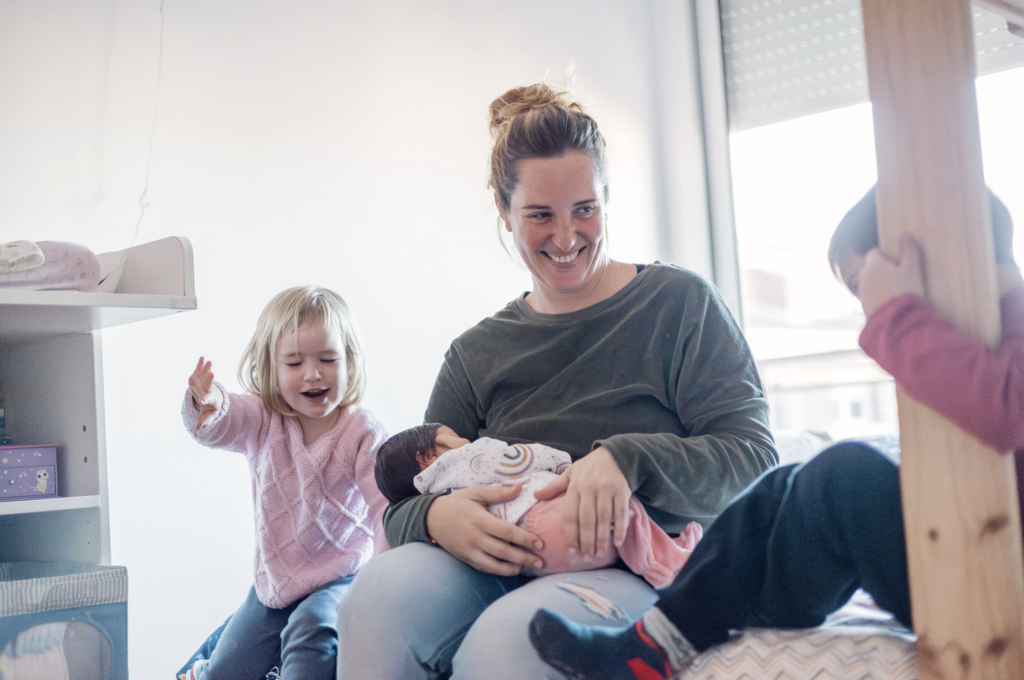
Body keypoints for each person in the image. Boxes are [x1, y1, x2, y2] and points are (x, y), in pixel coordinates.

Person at [335, 83, 777, 679]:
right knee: (375, 595)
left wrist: (628, 460)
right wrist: (436, 520)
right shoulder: (475, 354)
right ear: (503, 209)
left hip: (633, 568)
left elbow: (754, 461)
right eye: (540, 215)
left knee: (512, 644)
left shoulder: (679, 304)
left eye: (585, 210)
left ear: (606, 197)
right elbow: (406, 493)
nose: (567, 238)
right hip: (487, 565)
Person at [528, 186, 1024, 680]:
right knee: (782, 488)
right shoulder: (991, 335)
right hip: (974, 555)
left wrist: (899, 315)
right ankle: (659, 641)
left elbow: (1007, 408)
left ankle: (694, 621)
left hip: (1000, 580)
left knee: (845, 473)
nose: (869, 310)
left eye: (864, 288)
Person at [177, 286, 389, 680]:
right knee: (230, 666)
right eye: (294, 363)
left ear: (350, 363)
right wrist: (208, 404)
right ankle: (203, 670)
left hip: (342, 576)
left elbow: (384, 506)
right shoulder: (264, 420)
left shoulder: (362, 431)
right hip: (276, 582)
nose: (313, 373)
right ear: (271, 369)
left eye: (328, 359)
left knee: (312, 630)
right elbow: (225, 420)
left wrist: (386, 573)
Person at [374, 424, 703, 586]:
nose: (465, 441)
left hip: (515, 554)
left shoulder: (435, 486)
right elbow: (515, 460)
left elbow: (393, 509)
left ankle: (661, 553)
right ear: (428, 455)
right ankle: (664, 561)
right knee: (619, 507)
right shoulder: (464, 458)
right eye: (453, 436)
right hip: (545, 519)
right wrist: (562, 463)